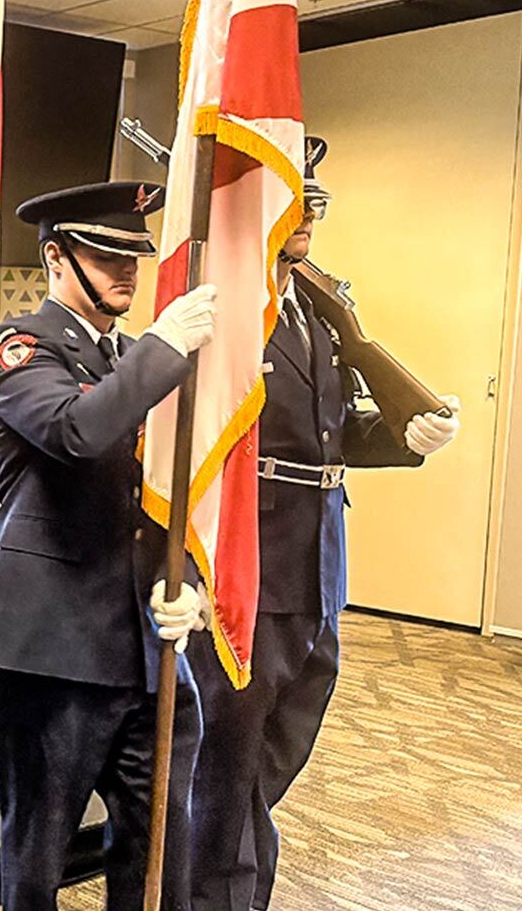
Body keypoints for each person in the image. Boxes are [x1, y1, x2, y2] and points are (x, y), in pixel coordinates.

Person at [187, 138, 460, 911]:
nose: (308, 213)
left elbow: (329, 429)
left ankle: (229, 880)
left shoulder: (316, 306)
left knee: (275, 751)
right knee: (228, 759)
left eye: (315, 200)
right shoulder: (224, 305)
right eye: (292, 197)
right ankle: (217, 894)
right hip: (249, 564)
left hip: (318, 566)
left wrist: (400, 437)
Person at [0, 181, 217, 911]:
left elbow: (177, 483)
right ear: (56, 257)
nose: (128, 271)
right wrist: (167, 347)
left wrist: (192, 580)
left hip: (143, 641)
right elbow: (79, 432)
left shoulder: (142, 353)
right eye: (106, 254)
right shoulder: (24, 345)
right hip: (53, 648)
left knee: (157, 848)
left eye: (134, 254)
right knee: (38, 855)